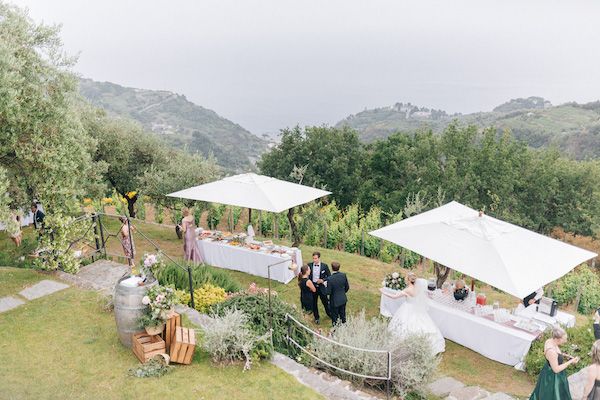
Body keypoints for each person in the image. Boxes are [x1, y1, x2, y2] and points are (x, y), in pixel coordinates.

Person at [380, 272, 445, 354]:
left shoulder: (408, 289)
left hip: (407, 308)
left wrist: (383, 292)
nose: (405, 280)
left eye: (406, 278)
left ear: (408, 280)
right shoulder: (418, 288)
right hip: (416, 309)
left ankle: (403, 343)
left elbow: (394, 297)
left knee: (404, 325)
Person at [530, 327, 578, 400]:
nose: (565, 341)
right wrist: (570, 362)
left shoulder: (550, 341)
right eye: (564, 339)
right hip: (552, 378)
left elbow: (556, 355)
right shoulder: (551, 352)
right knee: (552, 395)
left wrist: (565, 356)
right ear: (557, 339)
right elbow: (556, 369)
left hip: (548, 371)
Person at [308, 251, 331, 324]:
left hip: (321, 286)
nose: (314, 260)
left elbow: (329, 276)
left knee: (325, 301)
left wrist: (323, 280)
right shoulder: (310, 265)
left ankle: (329, 313)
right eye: (313, 258)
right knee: (314, 303)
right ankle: (316, 317)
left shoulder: (324, 266)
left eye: (316, 258)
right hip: (313, 286)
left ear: (319, 258)